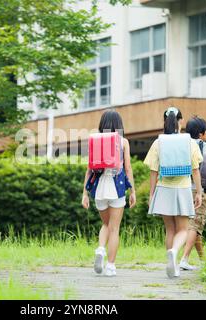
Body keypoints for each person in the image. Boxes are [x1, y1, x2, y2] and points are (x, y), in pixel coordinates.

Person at [143, 106, 203, 278]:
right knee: (184, 229)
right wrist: (198, 192)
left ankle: (173, 263)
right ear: (180, 121)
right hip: (183, 189)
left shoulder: (158, 142)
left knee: (170, 230)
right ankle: (175, 252)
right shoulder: (189, 142)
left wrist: (151, 194)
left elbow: (153, 171)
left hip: (164, 189)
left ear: (165, 121)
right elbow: (196, 170)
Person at [81, 110, 136, 277]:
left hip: (99, 188)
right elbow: (127, 168)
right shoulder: (123, 142)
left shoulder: (95, 141)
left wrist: (84, 193)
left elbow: (90, 170)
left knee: (105, 225)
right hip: (116, 187)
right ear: (119, 125)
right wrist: (132, 190)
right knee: (114, 228)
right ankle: (110, 266)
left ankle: (100, 249)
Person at [180, 116, 206, 271]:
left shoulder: (181, 145)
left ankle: (202, 260)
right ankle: (184, 258)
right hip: (197, 189)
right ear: (201, 134)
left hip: (181, 187)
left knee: (192, 225)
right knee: (196, 224)